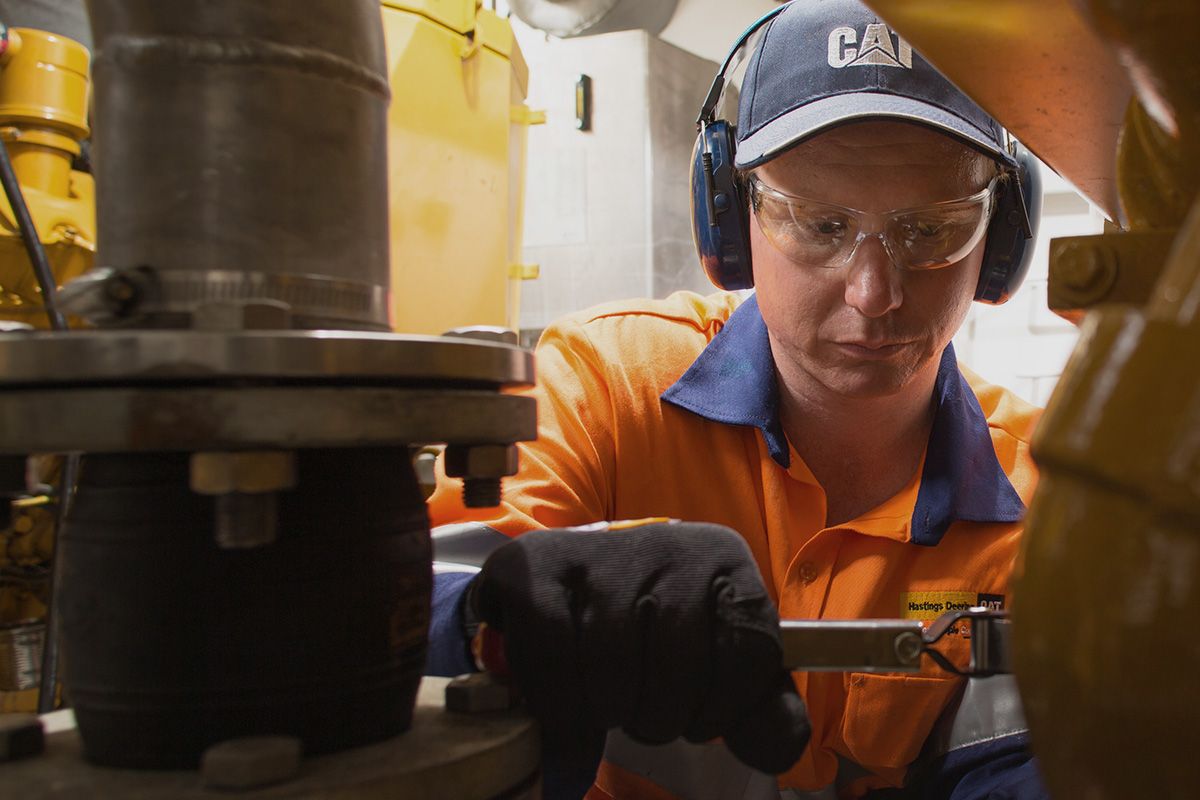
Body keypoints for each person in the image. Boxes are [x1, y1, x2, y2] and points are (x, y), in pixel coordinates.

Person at [426, 1, 1048, 798]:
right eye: (821, 224)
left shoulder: (1038, 498)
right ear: (731, 218)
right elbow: (412, 611)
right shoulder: (603, 385)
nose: (874, 293)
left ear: (998, 245)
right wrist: (502, 611)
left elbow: (1017, 763)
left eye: (930, 231)